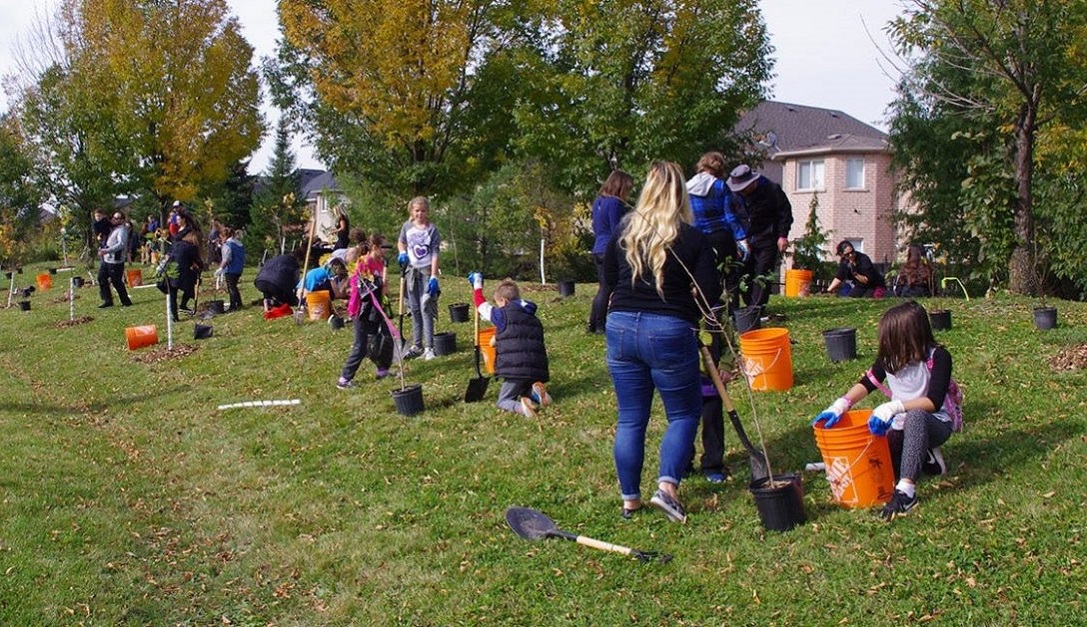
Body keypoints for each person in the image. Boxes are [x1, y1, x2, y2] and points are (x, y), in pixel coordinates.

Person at [603, 161, 722, 524]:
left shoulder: (626, 230)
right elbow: (709, 292)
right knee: (684, 412)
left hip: (621, 326)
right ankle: (667, 488)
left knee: (630, 418)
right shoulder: (691, 237)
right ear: (680, 194)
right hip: (669, 329)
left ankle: (630, 499)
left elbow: (607, 279)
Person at [812, 300, 955, 520]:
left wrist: (895, 407)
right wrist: (842, 404)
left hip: (934, 422)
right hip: (900, 427)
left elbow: (933, 402)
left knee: (916, 417)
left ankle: (906, 492)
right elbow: (867, 383)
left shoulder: (938, 357)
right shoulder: (890, 359)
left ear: (910, 336)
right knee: (880, 464)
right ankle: (925, 456)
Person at [468, 272, 551, 418]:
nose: (498, 307)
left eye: (498, 303)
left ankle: (522, 408)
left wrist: (477, 285)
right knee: (523, 389)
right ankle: (536, 394)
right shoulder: (532, 317)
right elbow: (517, 335)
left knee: (503, 400)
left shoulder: (502, 315)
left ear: (504, 301)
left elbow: (480, 303)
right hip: (536, 367)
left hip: (515, 368)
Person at [726, 164, 793, 315]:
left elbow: (785, 213)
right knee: (745, 272)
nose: (741, 192)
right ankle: (750, 304)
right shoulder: (734, 195)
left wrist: (782, 235)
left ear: (752, 182)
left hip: (767, 237)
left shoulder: (771, 189)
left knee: (762, 272)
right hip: (744, 239)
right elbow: (731, 217)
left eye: (744, 188)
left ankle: (756, 309)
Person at [687, 152, 749, 309]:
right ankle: (733, 312)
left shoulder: (687, 187)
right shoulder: (720, 186)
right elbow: (730, 216)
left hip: (696, 237)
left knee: (702, 276)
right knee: (730, 276)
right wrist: (741, 238)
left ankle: (706, 310)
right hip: (720, 237)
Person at [337, 236, 394, 388]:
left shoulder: (381, 263)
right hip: (361, 309)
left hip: (377, 309)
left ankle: (383, 370)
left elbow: (383, 289)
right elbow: (361, 288)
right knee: (360, 346)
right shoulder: (363, 262)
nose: (386, 251)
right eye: (383, 248)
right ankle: (344, 379)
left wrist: (384, 287)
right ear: (374, 247)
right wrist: (379, 283)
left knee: (386, 339)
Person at [588, 169, 634, 335]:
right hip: (609, 248)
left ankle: (593, 322)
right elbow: (617, 229)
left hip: (598, 247)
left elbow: (595, 225)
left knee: (603, 287)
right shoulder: (615, 203)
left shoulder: (599, 201)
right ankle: (600, 325)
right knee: (608, 288)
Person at [397, 196, 441, 360]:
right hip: (411, 272)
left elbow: (435, 254)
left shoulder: (432, 230)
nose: (420, 214)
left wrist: (434, 276)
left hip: (426, 273)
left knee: (425, 307)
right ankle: (417, 345)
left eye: (423, 211)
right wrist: (402, 252)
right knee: (414, 308)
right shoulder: (407, 226)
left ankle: (429, 347)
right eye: (417, 210)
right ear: (412, 211)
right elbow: (401, 242)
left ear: (427, 212)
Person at [167, 210, 205, 320]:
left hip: (172, 267)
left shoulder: (188, 232)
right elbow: (197, 259)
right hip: (180, 268)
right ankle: (180, 307)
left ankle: (175, 315)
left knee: (173, 292)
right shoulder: (190, 246)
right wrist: (200, 266)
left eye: (179, 219)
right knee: (189, 285)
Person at [96, 211, 134, 308]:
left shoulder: (122, 230)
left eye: (117, 218)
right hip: (106, 259)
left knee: (116, 281)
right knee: (101, 278)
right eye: (113, 217)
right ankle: (107, 300)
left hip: (115, 260)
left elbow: (121, 244)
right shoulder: (112, 229)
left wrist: (107, 250)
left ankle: (126, 301)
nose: (113, 219)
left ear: (122, 220)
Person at [215, 226, 246, 312]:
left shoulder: (228, 245)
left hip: (231, 269)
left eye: (221, 238)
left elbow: (226, 258)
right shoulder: (238, 243)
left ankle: (233, 306)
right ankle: (239, 303)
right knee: (234, 286)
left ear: (224, 236)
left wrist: (221, 268)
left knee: (231, 287)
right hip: (239, 268)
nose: (221, 240)